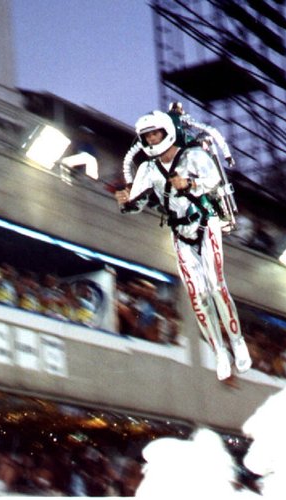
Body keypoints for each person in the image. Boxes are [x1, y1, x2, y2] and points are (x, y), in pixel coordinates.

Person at [115, 110, 251, 380]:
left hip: (205, 222)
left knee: (215, 285)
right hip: (179, 233)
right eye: (147, 136)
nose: (153, 140)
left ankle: (237, 341)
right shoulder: (147, 169)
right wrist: (126, 201)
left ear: (167, 131)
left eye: (156, 134)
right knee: (198, 296)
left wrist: (189, 182)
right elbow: (137, 204)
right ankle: (219, 352)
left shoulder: (195, 156)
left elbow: (213, 183)